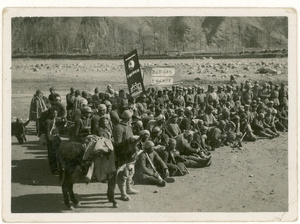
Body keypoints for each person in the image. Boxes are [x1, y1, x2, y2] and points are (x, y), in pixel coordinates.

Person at [113, 110, 139, 201]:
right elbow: (118, 143)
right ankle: (123, 193)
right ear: (128, 118)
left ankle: (129, 188)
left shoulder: (128, 126)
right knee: (123, 174)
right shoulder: (118, 128)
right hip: (123, 154)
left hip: (130, 153)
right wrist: (129, 141)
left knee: (131, 172)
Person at [45, 109, 61, 174]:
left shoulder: (55, 120)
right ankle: (54, 169)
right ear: (50, 113)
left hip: (57, 138)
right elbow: (47, 132)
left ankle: (57, 168)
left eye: (56, 113)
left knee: (57, 154)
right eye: (53, 113)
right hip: (51, 139)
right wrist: (50, 140)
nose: (55, 115)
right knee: (52, 155)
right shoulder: (48, 121)